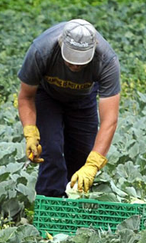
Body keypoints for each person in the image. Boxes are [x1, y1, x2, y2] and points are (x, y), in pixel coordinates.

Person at [17, 19, 120, 197]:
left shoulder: (106, 60)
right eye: (71, 60)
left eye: (81, 61)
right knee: (51, 152)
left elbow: (109, 120)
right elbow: (26, 96)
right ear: (61, 45)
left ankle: (75, 210)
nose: (75, 65)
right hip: (47, 97)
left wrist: (93, 164)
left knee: (82, 157)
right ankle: (50, 209)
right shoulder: (41, 50)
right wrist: (30, 132)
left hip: (83, 99)